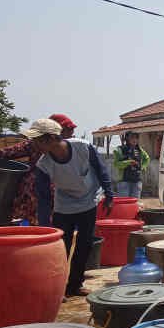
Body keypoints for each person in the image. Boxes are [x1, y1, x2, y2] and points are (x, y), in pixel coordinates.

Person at [26, 119, 114, 297]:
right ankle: (55, 289)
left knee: (84, 245)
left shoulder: (83, 147)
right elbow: (43, 199)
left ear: (50, 138)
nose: (33, 144)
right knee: (60, 248)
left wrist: (109, 194)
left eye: (37, 140)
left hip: (88, 200)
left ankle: (74, 285)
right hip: (64, 206)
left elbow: (101, 169)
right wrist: (45, 228)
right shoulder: (43, 164)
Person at [112, 131, 149, 198]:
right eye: (132, 137)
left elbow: (147, 159)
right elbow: (116, 164)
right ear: (127, 139)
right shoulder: (119, 149)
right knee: (124, 204)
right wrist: (128, 162)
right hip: (124, 182)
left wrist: (143, 167)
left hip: (137, 182)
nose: (134, 140)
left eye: (136, 138)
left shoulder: (140, 150)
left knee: (135, 204)